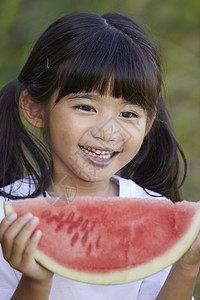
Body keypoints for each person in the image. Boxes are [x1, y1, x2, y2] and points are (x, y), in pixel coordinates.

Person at [0, 12, 199, 300]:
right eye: (85, 107)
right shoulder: (6, 217)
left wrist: (188, 266)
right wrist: (35, 281)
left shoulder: (155, 214)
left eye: (128, 114)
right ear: (35, 109)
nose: (108, 132)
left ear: (149, 124)